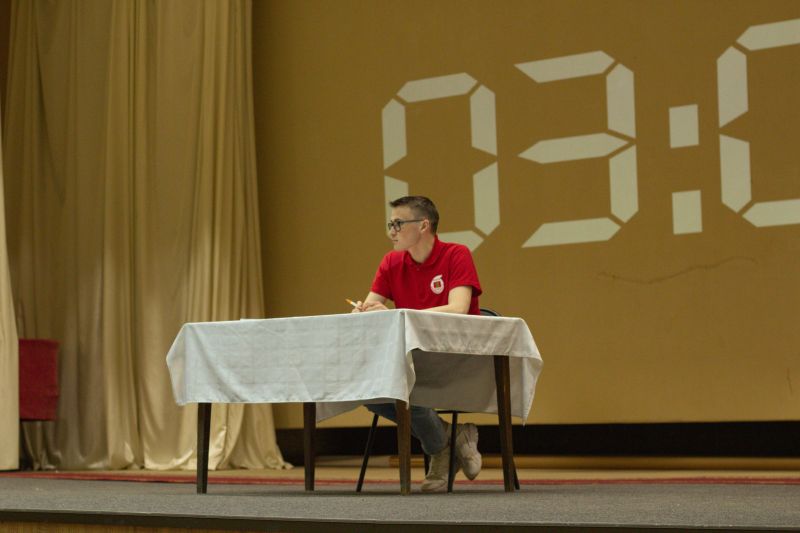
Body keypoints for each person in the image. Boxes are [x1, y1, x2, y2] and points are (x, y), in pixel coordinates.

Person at [351, 195, 482, 492]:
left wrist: (396, 314)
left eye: (398, 224)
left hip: (452, 355)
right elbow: (371, 306)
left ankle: (440, 451)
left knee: (403, 385)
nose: (392, 232)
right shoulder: (391, 261)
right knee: (370, 390)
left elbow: (459, 308)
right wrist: (364, 311)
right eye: (390, 224)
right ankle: (447, 439)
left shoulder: (456, 254)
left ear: (423, 225)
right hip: (412, 356)